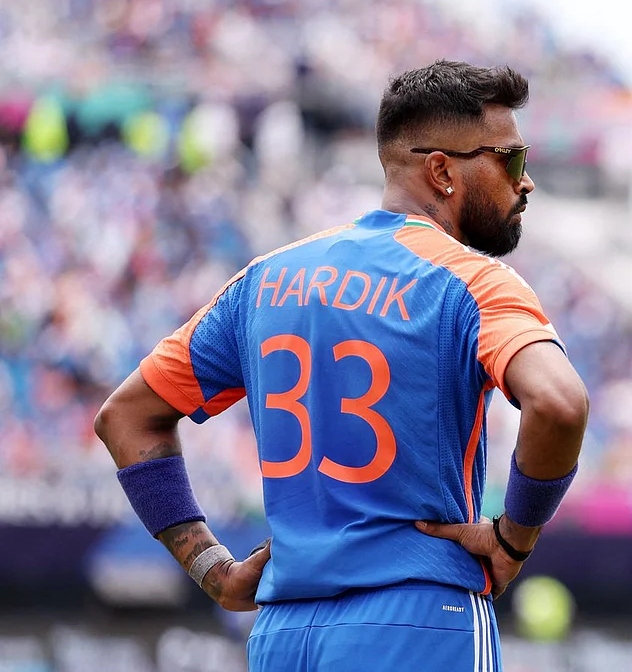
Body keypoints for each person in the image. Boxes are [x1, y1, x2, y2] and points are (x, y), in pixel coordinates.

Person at [94, 60, 590, 671]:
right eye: (511, 160)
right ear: (442, 171)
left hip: (283, 634)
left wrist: (210, 567)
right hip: (418, 619)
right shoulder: (473, 282)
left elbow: (126, 416)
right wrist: (515, 537)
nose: (527, 181)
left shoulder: (264, 280)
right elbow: (560, 404)